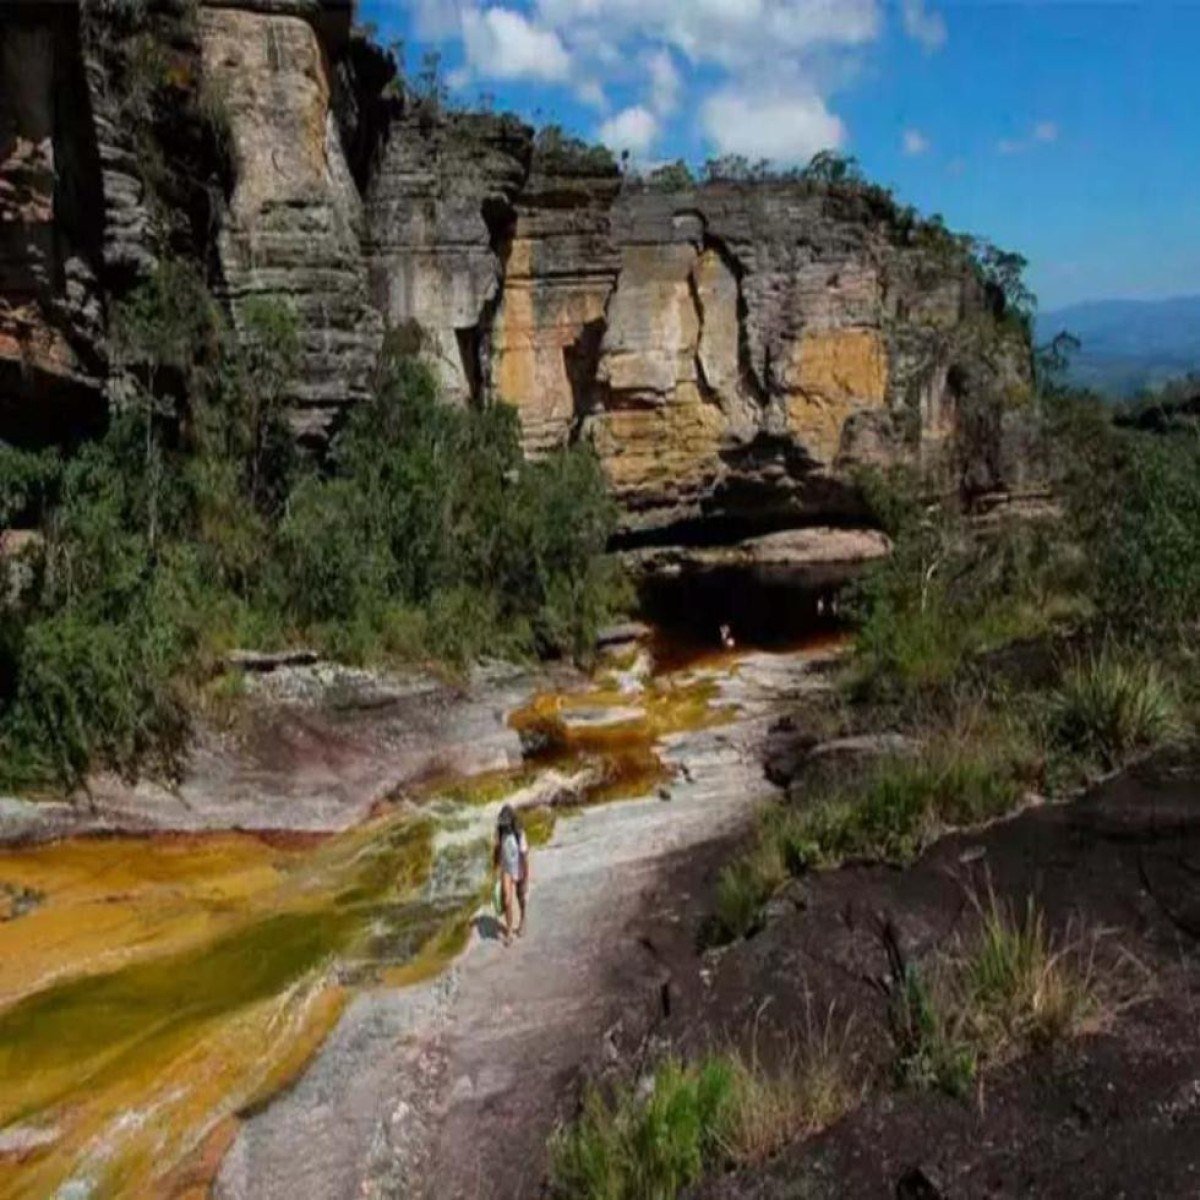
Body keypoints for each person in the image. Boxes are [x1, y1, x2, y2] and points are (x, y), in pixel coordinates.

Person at [493, 804, 529, 945]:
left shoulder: (520, 834)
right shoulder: (500, 832)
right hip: (506, 869)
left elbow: (525, 858)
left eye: (506, 824)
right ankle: (509, 931)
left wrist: (526, 877)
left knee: (520, 897)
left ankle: (523, 920)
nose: (505, 827)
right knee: (507, 900)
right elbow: (497, 849)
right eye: (503, 824)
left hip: (519, 868)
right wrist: (495, 866)